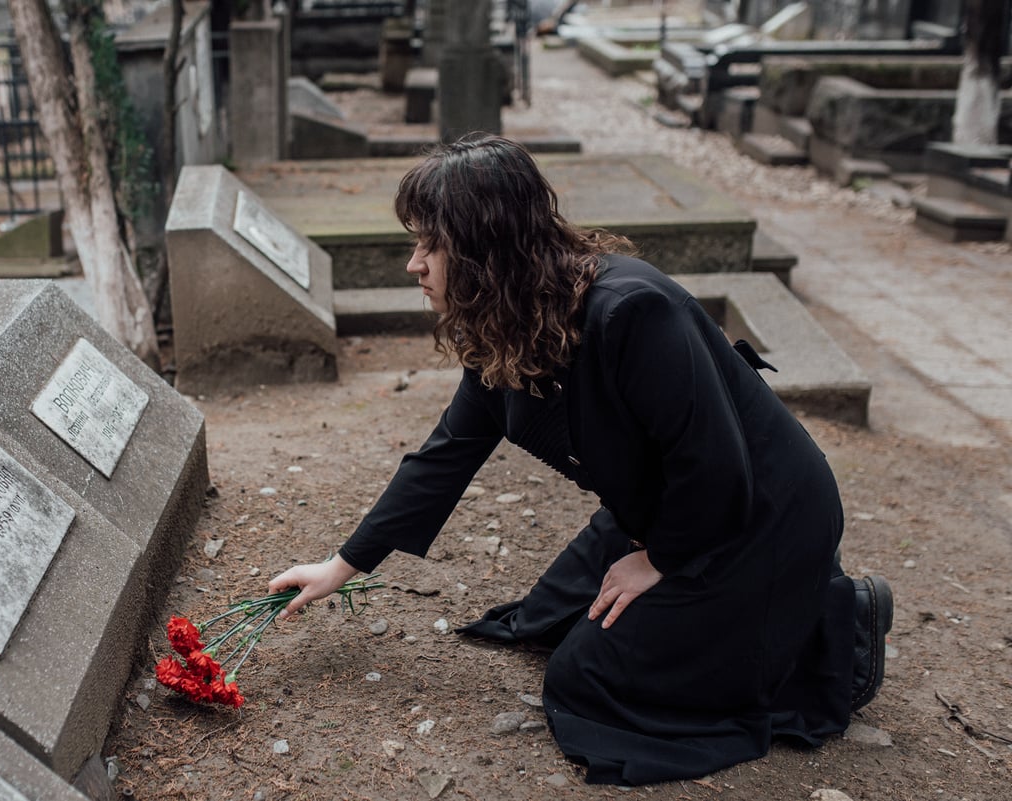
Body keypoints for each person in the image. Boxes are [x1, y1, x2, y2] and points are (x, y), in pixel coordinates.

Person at [268, 134, 893, 786]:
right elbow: (444, 458)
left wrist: (656, 558)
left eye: (431, 245)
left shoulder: (632, 313)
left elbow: (718, 466)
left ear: (486, 250)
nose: (414, 264)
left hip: (758, 513)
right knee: (549, 616)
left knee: (585, 678)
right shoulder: (510, 325)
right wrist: (339, 565)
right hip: (664, 503)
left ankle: (834, 627)